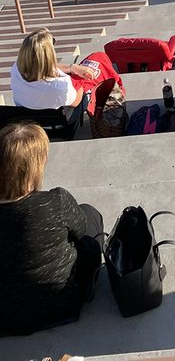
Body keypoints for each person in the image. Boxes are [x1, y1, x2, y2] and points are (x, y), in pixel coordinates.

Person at [0, 122, 104, 336]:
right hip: (60, 304)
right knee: (90, 215)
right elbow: (82, 228)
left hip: (4, 318)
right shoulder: (54, 201)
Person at [10, 28, 122, 117]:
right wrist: (78, 82)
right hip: (60, 118)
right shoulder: (60, 86)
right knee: (98, 60)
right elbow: (77, 101)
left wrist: (72, 68)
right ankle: (117, 88)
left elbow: (41, 66)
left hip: (29, 115)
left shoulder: (16, 69)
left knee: (92, 64)